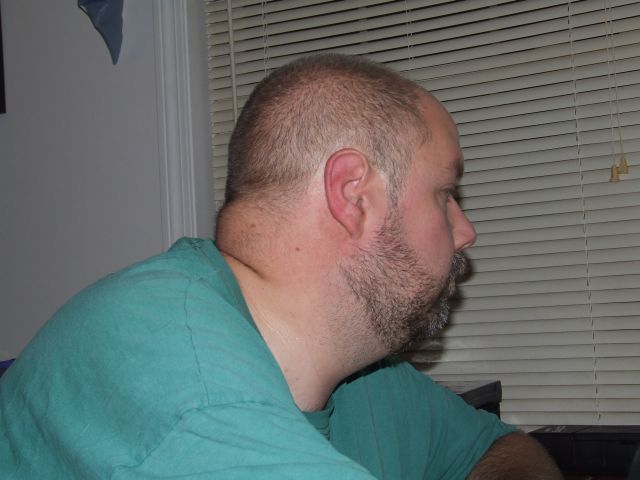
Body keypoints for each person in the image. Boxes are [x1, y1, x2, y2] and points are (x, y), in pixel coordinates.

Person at [0, 53, 561, 479]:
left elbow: (501, 448)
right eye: (444, 193)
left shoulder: (365, 377)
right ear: (353, 195)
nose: (465, 231)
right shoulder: (173, 376)